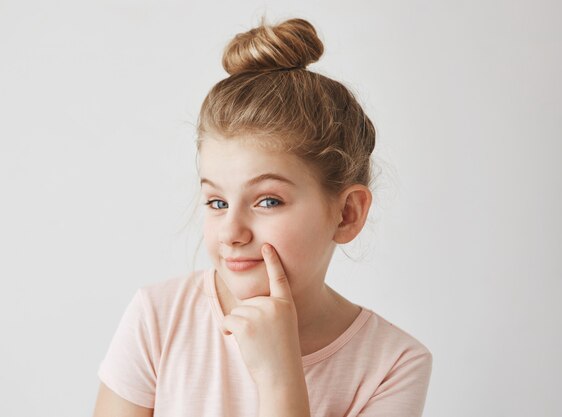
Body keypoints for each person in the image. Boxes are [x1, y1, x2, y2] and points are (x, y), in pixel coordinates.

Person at [93, 15, 433, 417]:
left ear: (346, 214)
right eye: (217, 202)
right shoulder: (158, 317)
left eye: (267, 201)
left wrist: (280, 378)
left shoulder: (392, 366)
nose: (232, 233)